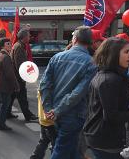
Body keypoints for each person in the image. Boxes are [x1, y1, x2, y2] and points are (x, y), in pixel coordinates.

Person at [40, 26, 97, 159]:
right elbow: (79, 92)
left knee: (69, 148)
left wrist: (49, 109)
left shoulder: (57, 57)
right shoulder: (91, 63)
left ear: (75, 39)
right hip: (73, 114)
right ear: (89, 42)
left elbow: (44, 85)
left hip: (57, 112)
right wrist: (55, 110)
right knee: (63, 149)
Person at [83, 37, 129, 159]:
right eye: (126, 52)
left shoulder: (110, 76)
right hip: (105, 140)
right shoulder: (110, 80)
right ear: (113, 54)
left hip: (103, 137)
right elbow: (112, 116)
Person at [9, 29, 38, 121]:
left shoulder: (20, 45)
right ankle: (28, 115)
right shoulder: (19, 47)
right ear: (24, 37)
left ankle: (5, 113)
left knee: (12, 96)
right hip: (18, 77)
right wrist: (23, 76)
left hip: (16, 77)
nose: (30, 37)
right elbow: (20, 64)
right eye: (28, 36)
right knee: (22, 97)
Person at [0, 38, 19, 131]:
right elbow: (10, 74)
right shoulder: (6, 57)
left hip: (0, 83)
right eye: (8, 44)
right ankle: (1, 124)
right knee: (5, 105)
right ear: (3, 46)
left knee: (3, 103)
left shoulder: (0, 54)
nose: (10, 45)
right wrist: (16, 85)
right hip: (5, 85)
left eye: (10, 43)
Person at [30, 91, 56, 159]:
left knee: (43, 142)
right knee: (55, 145)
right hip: (50, 121)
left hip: (43, 119)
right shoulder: (48, 88)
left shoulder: (42, 86)